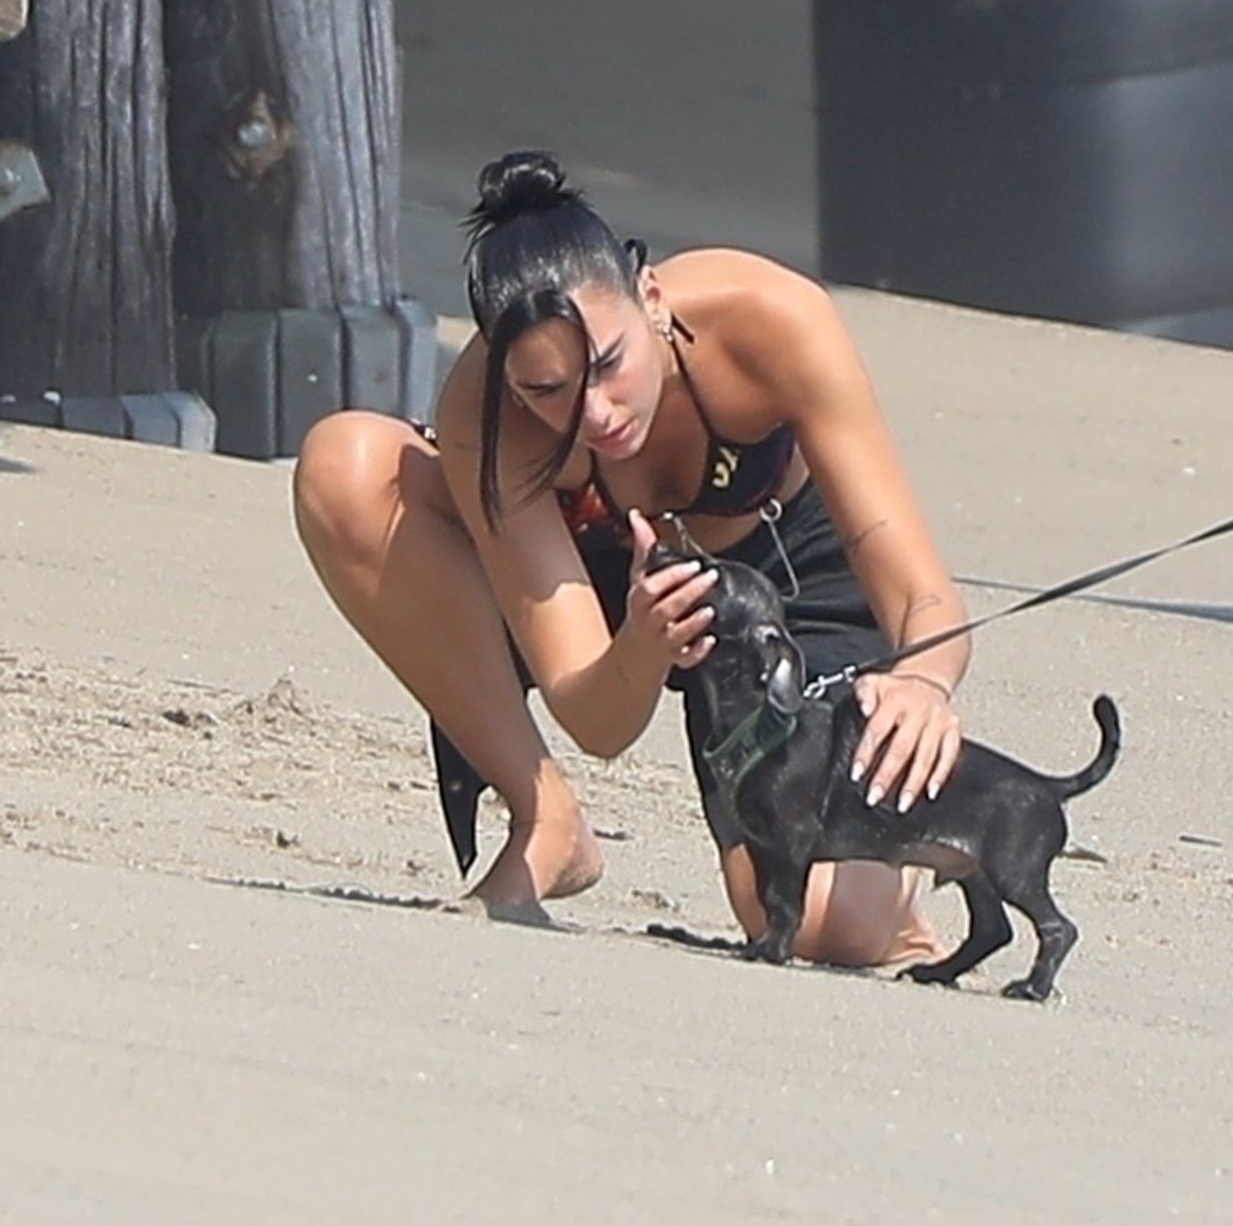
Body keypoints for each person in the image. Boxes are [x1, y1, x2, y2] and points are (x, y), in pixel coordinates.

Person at [292, 151, 972, 967]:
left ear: (650, 296)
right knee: (348, 467)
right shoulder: (489, 416)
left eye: (610, 364)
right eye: (547, 391)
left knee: (816, 920)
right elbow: (600, 720)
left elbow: (924, 597)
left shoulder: (768, 318)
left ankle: (897, 880)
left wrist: (922, 683)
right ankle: (546, 816)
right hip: (618, 583)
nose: (596, 414)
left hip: (789, 583)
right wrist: (643, 646)